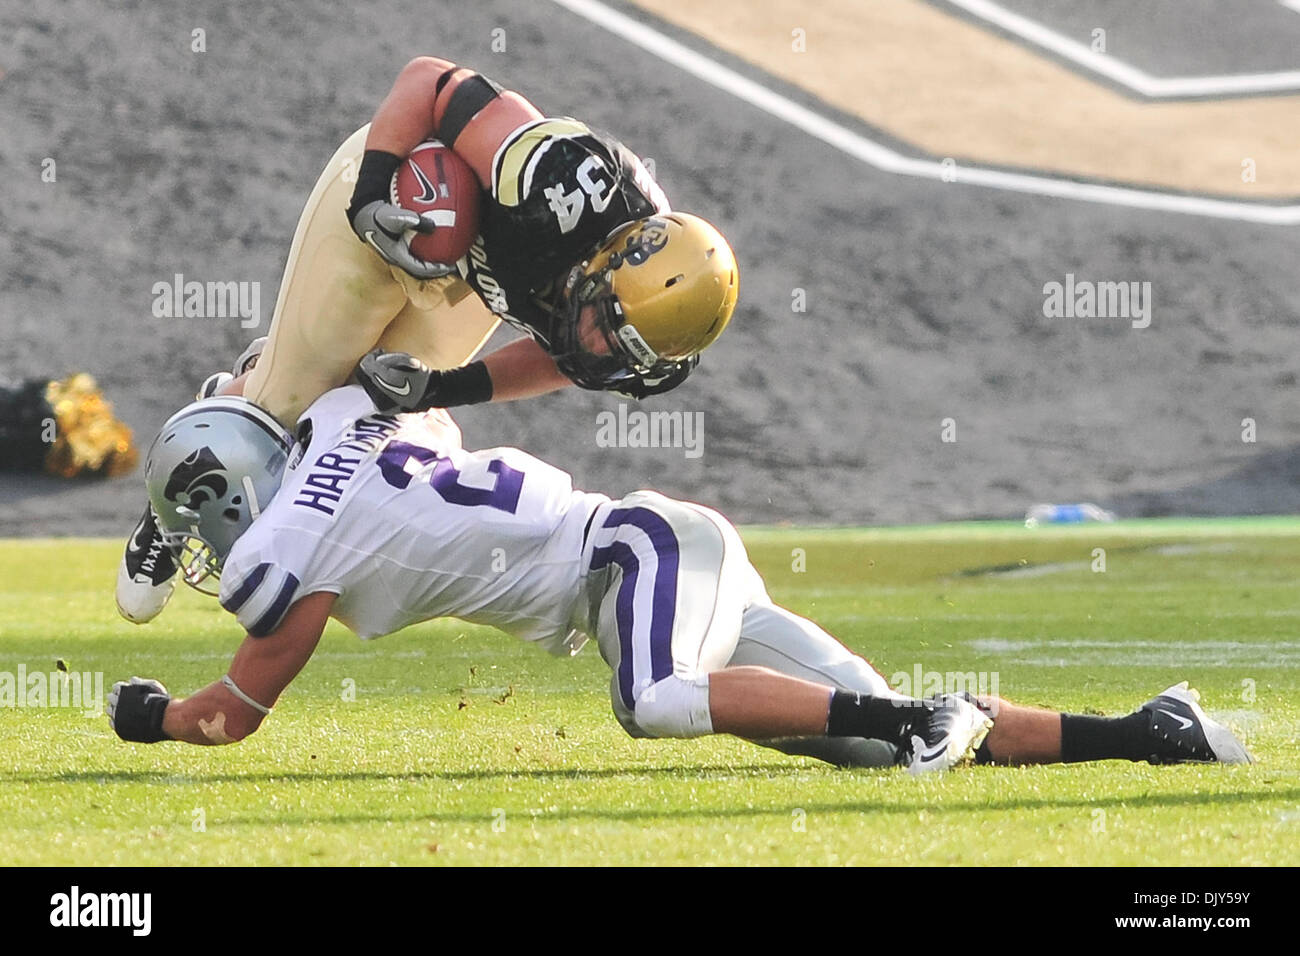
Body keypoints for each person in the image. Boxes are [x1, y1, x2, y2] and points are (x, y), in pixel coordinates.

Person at [106, 389, 1252, 773]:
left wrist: (143, 715)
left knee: (652, 699)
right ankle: (1151, 733)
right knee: (862, 733)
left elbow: (225, 721)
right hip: (658, 552)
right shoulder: (356, 413)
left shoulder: (289, 561)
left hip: (634, 555)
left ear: (230, 497)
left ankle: (913, 716)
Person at [116, 55, 739, 625]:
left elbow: (566, 358)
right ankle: (178, 491)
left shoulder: (630, 323)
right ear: (608, 259)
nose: (600, 348)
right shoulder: (560, 180)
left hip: (467, 280)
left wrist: (442, 389)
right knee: (288, 402)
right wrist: (368, 198)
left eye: (623, 353)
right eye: (605, 325)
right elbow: (431, 82)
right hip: (398, 207)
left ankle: (262, 377)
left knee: (368, 410)